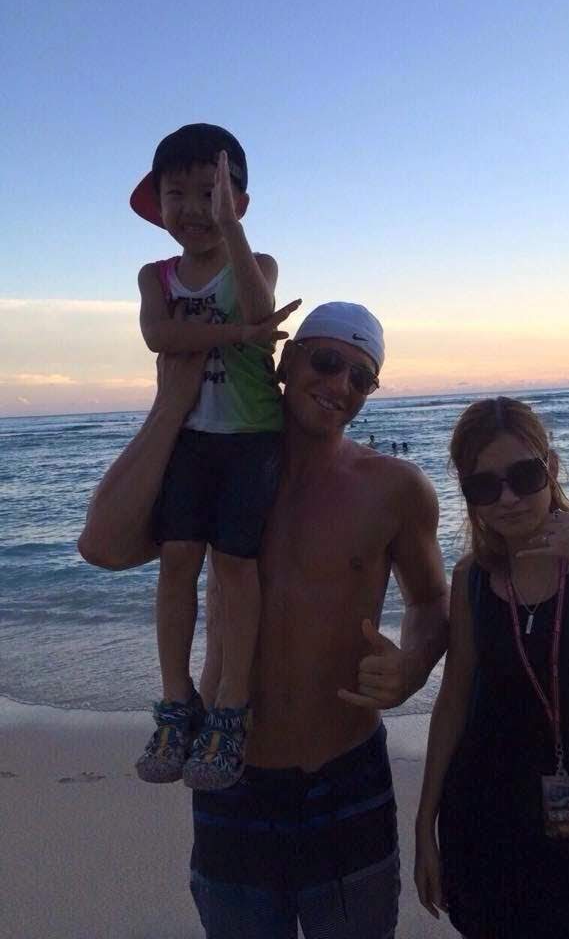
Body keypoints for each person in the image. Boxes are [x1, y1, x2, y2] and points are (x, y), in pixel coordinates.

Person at [78, 302, 449, 939]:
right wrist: (170, 407)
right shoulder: (218, 470)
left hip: (346, 773)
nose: (340, 385)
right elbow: (104, 545)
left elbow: (430, 600)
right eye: (326, 361)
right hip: (230, 772)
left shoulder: (395, 488)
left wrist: (413, 665)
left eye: (361, 378)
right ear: (285, 361)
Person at [414, 396, 569, 939]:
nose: (507, 498)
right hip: (480, 815)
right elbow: (454, 701)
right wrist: (423, 823)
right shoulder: (473, 577)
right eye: (484, 486)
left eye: (523, 476)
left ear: (551, 467)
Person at [128, 122, 300, 791]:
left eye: (212, 193)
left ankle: (230, 708)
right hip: (190, 439)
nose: (195, 209)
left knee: (234, 568)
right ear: (159, 204)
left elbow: (262, 307)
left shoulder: (258, 262)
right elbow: (158, 335)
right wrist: (239, 334)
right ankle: (177, 703)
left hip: (252, 438)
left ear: (239, 202)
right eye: (178, 194)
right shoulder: (156, 276)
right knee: (176, 561)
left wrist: (233, 233)